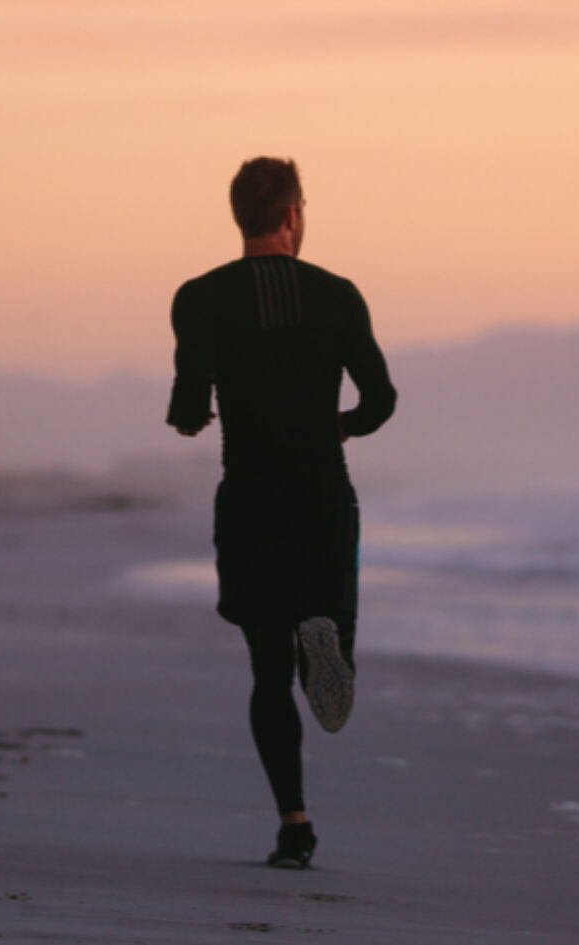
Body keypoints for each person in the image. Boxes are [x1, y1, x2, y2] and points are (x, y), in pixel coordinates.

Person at [165, 157, 397, 869]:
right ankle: (328, 642)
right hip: (323, 497)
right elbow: (380, 399)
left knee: (266, 671)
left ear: (240, 216)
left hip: (250, 501)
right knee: (326, 621)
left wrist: (196, 412)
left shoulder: (201, 297)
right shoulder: (337, 294)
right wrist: (341, 425)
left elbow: (185, 406)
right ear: (293, 214)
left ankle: (294, 826)